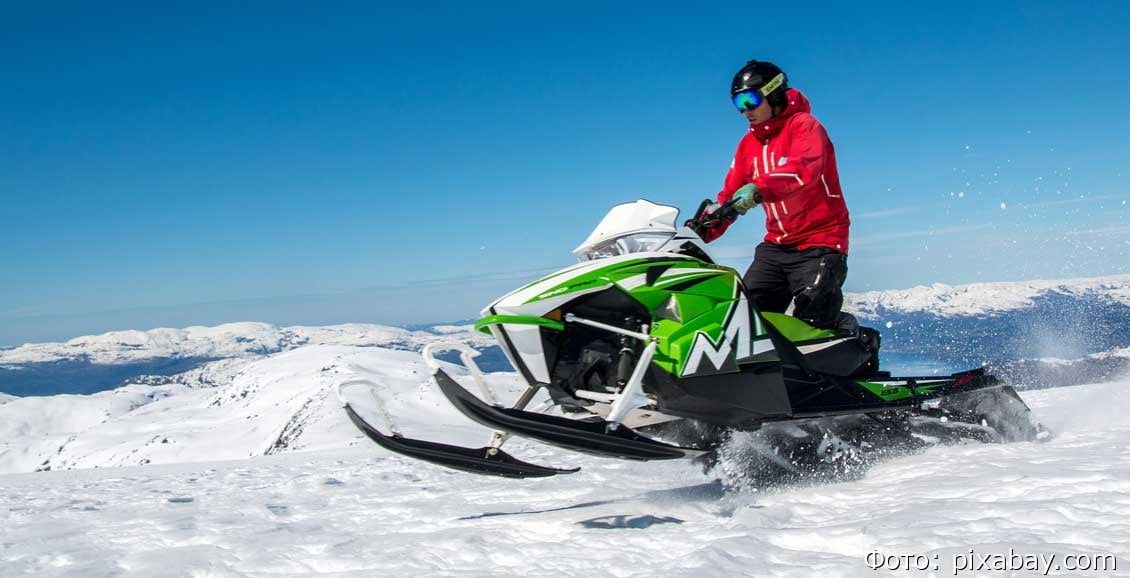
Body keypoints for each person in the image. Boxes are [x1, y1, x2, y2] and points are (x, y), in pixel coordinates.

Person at [700, 60, 851, 330]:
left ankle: (851, 337)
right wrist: (702, 230)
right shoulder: (748, 144)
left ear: (773, 93)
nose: (745, 110)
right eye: (738, 103)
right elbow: (730, 195)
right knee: (745, 322)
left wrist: (759, 190)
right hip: (776, 248)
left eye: (750, 99)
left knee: (813, 321)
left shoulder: (804, 126)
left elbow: (803, 170)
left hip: (820, 243)